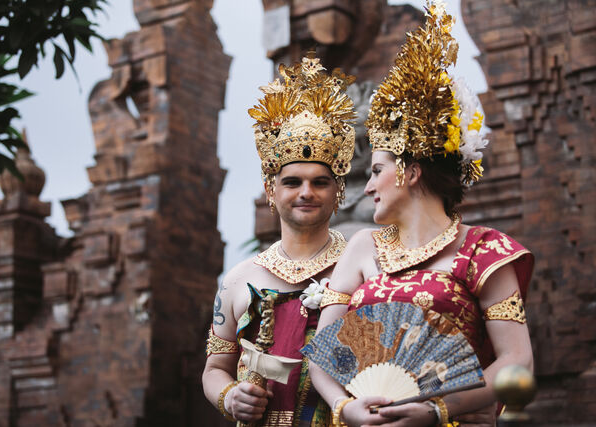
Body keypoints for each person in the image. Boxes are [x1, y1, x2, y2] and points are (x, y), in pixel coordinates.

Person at [309, 2, 535, 426]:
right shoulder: (361, 248)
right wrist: (344, 407)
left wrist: (438, 410)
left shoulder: (485, 251)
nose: (369, 185)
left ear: (411, 172)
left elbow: (517, 360)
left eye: (377, 171)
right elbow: (323, 355)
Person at [202, 54, 357, 426]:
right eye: (292, 182)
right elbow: (214, 368)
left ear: (339, 191)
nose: (306, 192)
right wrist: (230, 396)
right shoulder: (239, 280)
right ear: (271, 190)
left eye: (320, 182)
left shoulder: (359, 266)